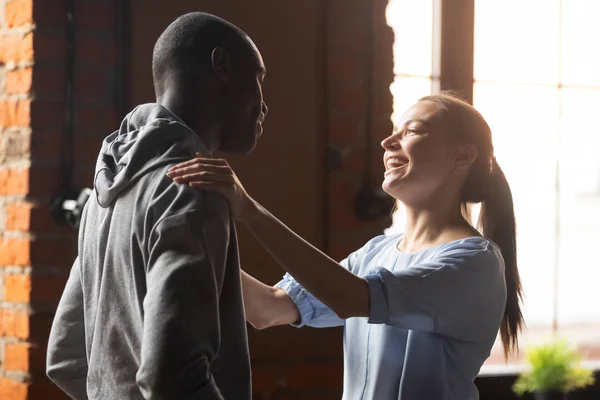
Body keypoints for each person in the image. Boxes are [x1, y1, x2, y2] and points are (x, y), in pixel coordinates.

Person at [167, 92, 524, 400]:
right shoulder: (375, 253)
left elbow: (352, 298)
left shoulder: (475, 263)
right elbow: (267, 310)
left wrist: (248, 210)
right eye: (394, 131)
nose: (388, 142)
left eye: (413, 130)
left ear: (462, 156)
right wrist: (194, 234)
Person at [46, 12, 268, 400]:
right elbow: (172, 377)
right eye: (259, 78)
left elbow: (64, 358)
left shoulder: (105, 194)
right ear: (223, 65)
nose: (264, 105)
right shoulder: (192, 189)